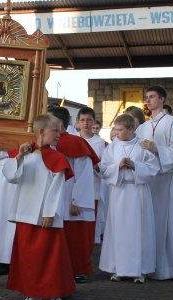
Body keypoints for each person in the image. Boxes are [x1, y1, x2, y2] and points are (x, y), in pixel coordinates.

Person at [3, 114, 75, 300]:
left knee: (51, 258)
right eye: (55, 131)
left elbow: (57, 186)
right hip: (25, 213)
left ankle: (55, 297)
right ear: (42, 131)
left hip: (46, 215)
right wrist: (19, 155)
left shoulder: (57, 157)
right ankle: (32, 295)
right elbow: (11, 176)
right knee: (28, 259)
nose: (59, 134)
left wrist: (50, 212)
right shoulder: (26, 153)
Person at [136, 85, 173, 280]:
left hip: (170, 179)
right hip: (152, 181)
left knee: (172, 223)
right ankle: (152, 265)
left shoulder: (171, 123)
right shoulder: (143, 127)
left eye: (152, 97)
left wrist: (156, 148)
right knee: (153, 223)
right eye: (147, 97)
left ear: (162, 99)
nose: (148, 100)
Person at [99, 114, 159, 283]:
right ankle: (118, 268)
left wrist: (135, 166)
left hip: (138, 191)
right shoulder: (112, 147)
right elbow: (104, 169)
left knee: (139, 231)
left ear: (131, 129)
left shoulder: (143, 146)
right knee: (118, 230)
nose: (116, 133)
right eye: (116, 129)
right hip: (119, 192)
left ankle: (140, 270)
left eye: (120, 130)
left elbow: (154, 168)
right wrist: (117, 166)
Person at [52, 106, 99, 284]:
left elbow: (84, 175)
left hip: (72, 200)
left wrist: (76, 200)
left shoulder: (75, 143)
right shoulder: (50, 142)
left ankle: (79, 270)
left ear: (59, 123)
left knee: (77, 238)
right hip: (58, 198)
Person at [76, 107, 107, 247]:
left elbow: (104, 168)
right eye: (82, 120)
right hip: (74, 188)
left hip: (92, 190)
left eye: (89, 120)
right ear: (77, 122)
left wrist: (95, 166)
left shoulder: (100, 143)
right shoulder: (72, 139)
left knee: (89, 227)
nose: (86, 123)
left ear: (94, 122)